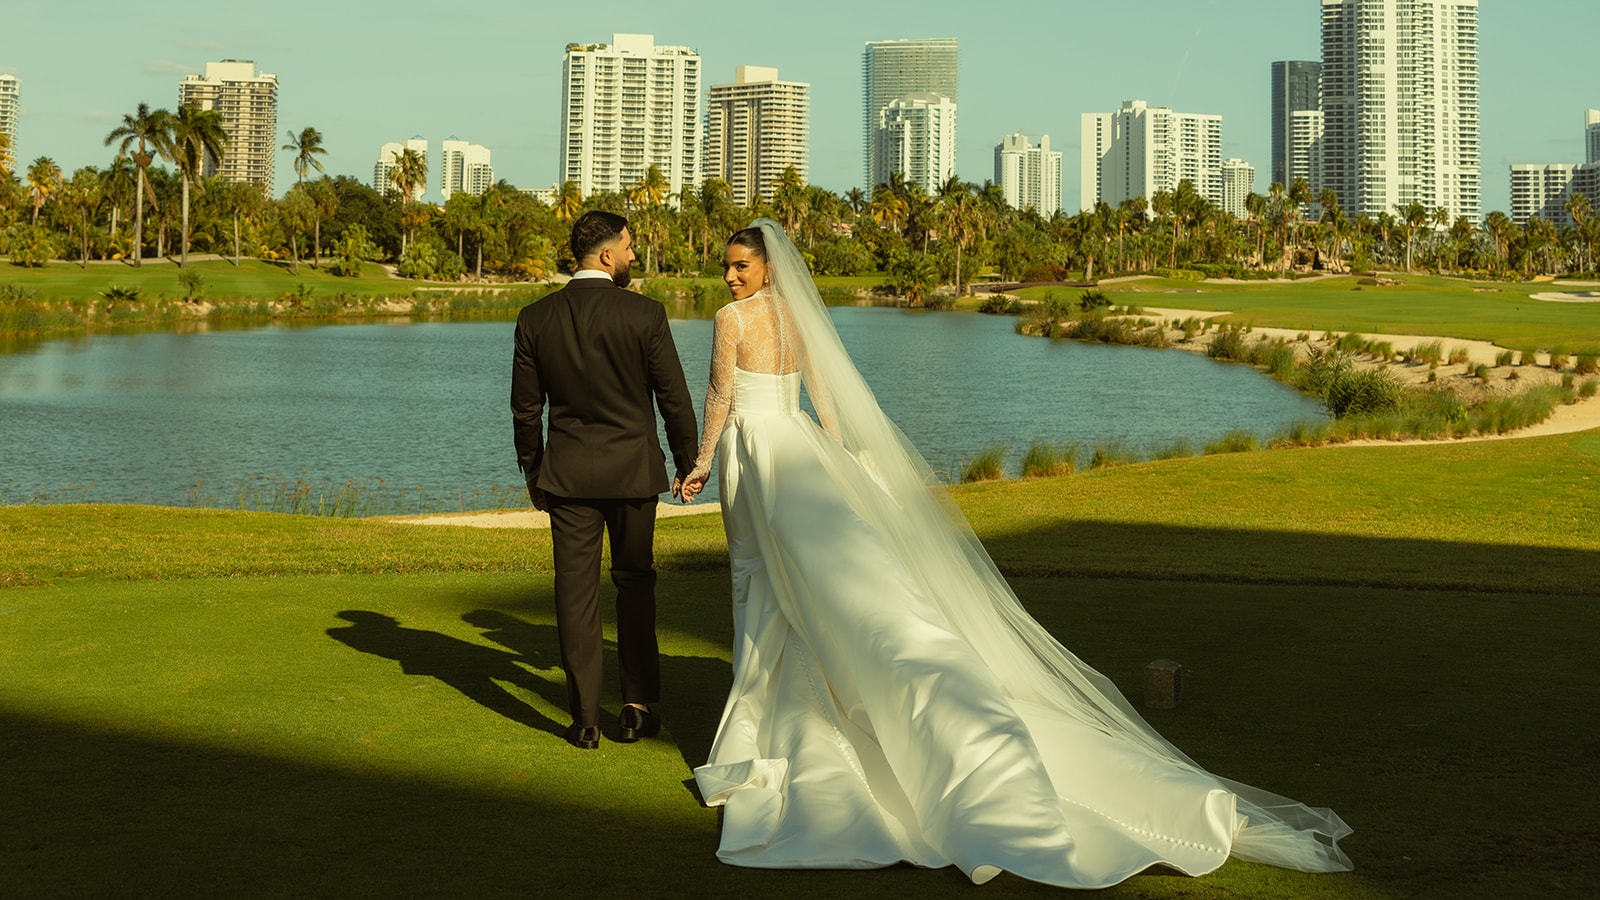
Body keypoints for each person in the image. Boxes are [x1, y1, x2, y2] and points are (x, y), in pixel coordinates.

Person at [676, 219, 1352, 888]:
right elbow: (820, 400)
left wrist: (702, 462)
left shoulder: (732, 318)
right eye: (729, 267)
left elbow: (719, 395)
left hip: (758, 455)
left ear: (766, 266)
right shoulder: (799, 318)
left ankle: (774, 732)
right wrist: (839, 454)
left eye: (741, 265)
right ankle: (788, 718)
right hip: (801, 453)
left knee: (764, 586)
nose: (731, 276)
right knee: (792, 590)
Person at [511, 210, 699, 750]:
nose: (634, 256)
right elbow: (673, 398)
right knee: (635, 584)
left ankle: (585, 719)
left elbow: (526, 410)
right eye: (630, 247)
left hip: (566, 475)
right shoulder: (646, 314)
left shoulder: (535, 317)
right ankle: (636, 709)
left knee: (575, 595)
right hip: (635, 473)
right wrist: (688, 461)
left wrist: (533, 468)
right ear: (607, 255)